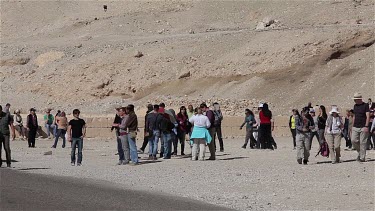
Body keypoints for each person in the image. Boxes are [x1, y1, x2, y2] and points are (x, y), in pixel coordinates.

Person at [351, 93, 370, 162]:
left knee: (363, 142)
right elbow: (354, 116)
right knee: (353, 140)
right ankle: (360, 152)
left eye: (356, 99)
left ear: (360, 99)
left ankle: (362, 157)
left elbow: (368, 116)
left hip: (363, 126)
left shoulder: (365, 105)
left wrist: (366, 126)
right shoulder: (355, 106)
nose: (355, 101)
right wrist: (352, 126)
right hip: (356, 126)